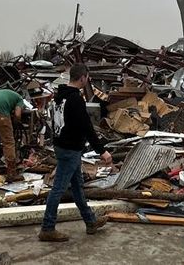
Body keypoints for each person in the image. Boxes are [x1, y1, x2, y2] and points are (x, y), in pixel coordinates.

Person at [39, 64, 112, 242]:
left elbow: (54, 122)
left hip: (61, 145)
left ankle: (90, 222)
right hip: (70, 149)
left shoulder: (58, 97)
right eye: (87, 78)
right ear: (83, 78)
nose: (87, 80)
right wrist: (102, 151)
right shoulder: (75, 100)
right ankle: (47, 228)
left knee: (78, 186)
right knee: (58, 189)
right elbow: (86, 127)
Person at [0, 88, 27, 182]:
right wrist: (15, 122)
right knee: (8, 142)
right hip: (0, 113)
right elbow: (18, 115)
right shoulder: (19, 99)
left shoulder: (5, 93)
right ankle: (11, 174)